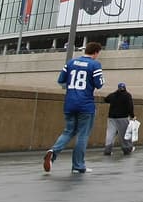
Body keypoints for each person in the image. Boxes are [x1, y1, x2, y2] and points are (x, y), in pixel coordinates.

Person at [44, 41, 106, 174]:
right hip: (86, 104)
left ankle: (53, 152)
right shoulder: (95, 64)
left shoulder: (71, 62)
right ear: (96, 53)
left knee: (68, 131)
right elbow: (99, 84)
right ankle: (78, 165)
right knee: (83, 134)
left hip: (70, 102)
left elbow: (61, 80)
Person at [102, 82, 135, 157]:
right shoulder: (127, 95)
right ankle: (127, 149)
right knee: (124, 134)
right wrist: (132, 116)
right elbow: (130, 107)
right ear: (125, 88)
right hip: (122, 117)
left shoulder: (113, 95)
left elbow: (106, 99)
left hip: (111, 118)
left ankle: (108, 150)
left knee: (110, 134)